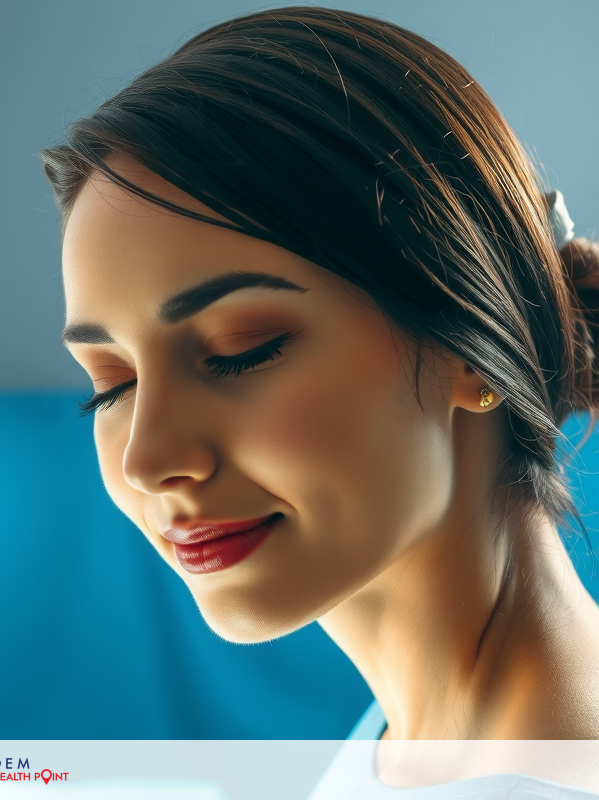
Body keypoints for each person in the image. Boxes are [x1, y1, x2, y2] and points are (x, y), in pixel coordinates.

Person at [43, 6, 599, 795]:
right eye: (113, 384)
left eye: (240, 350)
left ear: (477, 346)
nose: (147, 460)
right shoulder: (415, 743)